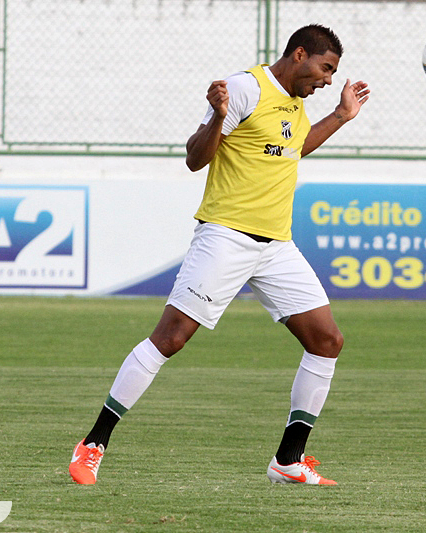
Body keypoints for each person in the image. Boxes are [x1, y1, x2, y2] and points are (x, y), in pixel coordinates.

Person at [69, 23, 370, 486]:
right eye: (326, 69)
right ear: (300, 54)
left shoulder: (296, 102)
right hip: (226, 237)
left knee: (327, 341)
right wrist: (216, 117)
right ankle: (93, 445)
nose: (329, 79)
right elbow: (195, 158)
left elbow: (292, 149)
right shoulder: (245, 89)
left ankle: (288, 460)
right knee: (169, 339)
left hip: (276, 246)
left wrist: (341, 116)